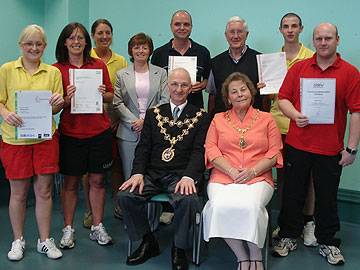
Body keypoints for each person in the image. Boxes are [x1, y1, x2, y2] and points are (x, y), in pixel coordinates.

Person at [273, 23, 360, 266]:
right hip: (297, 145)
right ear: (313, 40)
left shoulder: (350, 73)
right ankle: (289, 236)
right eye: (319, 38)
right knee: (292, 194)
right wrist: (295, 115)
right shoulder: (300, 68)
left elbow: (356, 112)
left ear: (337, 40)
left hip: (330, 149)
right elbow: (283, 99)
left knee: (327, 197)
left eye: (328, 38)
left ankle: (328, 242)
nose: (323, 42)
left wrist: (351, 148)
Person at [117, 68, 210, 270]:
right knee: (125, 195)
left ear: (190, 88)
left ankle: (179, 247)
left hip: (180, 176)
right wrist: (138, 173)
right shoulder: (153, 114)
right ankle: (148, 241)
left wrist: (189, 177)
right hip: (152, 174)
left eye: (184, 85)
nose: (179, 89)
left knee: (188, 200)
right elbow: (144, 148)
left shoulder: (201, 116)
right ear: (168, 86)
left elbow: (199, 151)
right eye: (174, 84)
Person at [203, 72, 282, 270]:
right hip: (223, 176)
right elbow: (211, 149)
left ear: (251, 92)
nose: (240, 94)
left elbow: (274, 152)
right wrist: (230, 170)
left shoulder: (267, 119)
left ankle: (255, 256)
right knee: (217, 207)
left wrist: (253, 171)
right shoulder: (218, 119)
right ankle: (241, 256)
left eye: (243, 89)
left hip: (258, 178)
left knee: (251, 207)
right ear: (227, 98)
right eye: (234, 91)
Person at [0, 24, 63, 261]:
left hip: (45, 139)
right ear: (21, 45)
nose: (34, 48)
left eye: (38, 44)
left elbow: (57, 108)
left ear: (44, 47)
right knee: (18, 194)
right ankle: (18, 240)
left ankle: (44, 240)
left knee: (44, 191)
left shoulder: (53, 73)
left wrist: (58, 101)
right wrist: (6, 114)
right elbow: (0, 101)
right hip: (14, 141)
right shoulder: (6, 69)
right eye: (29, 43)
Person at [53, 22, 114, 249]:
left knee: (98, 181)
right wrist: (66, 99)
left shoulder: (98, 65)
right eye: (71, 38)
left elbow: (110, 96)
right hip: (71, 133)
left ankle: (97, 226)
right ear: (65, 42)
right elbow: (55, 107)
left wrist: (102, 93)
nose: (76, 42)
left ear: (87, 41)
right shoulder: (56, 69)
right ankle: (68, 228)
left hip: (99, 132)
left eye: (80, 38)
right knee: (70, 183)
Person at [266, 13, 316, 246]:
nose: (290, 30)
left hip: (304, 126)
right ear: (280, 30)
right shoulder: (272, 61)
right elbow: (272, 99)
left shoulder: (313, 57)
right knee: (284, 179)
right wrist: (263, 89)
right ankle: (287, 224)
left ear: (301, 28)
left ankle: (308, 222)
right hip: (277, 126)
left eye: (294, 26)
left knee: (308, 179)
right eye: (285, 26)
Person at [79, 19, 128, 227]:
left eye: (108, 32)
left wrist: (117, 118)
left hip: (114, 120)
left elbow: (123, 94)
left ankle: (119, 205)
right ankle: (90, 210)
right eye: (100, 33)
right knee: (88, 170)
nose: (104, 36)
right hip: (89, 121)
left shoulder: (121, 61)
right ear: (93, 36)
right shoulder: (85, 58)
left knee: (117, 166)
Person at [113, 32, 169, 181]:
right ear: (130, 50)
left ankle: (151, 205)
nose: (140, 51)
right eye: (136, 47)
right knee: (130, 174)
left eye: (144, 47)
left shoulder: (161, 73)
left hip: (155, 129)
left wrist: (146, 121)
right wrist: (135, 122)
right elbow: (117, 103)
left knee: (152, 174)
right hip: (128, 132)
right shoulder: (121, 74)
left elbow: (165, 100)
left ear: (150, 50)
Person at [151, 10, 211, 109]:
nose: (182, 28)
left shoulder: (203, 52)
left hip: (195, 108)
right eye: (177, 24)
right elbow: (153, 83)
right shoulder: (159, 54)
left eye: (186, 24)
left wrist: (202, 85)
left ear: (191, 27)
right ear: (171, 26)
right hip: (165, 109)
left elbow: (208, 79)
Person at [207, 16, 266, 115]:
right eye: (232, 32)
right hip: (223, 123)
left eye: (239, 32)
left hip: (254, 122)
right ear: (226, 35)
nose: (235, 36)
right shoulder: (215, 62)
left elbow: (266, 98)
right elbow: (212, 96)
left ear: (246, 34)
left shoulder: (260, 60)